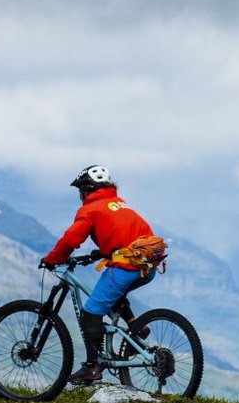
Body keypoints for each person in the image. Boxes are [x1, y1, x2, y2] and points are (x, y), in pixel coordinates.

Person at [39, 165, 168, 385]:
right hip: (148, 268)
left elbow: (71, 240)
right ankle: (137, 328)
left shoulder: (91, 209)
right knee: (111, 294)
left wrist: (52, 259)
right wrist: (100, 253)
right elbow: (124, 235)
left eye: (80, 190)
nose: (80, 195)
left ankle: (92, 366)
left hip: (125, 268)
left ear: (88, 189)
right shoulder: (120, 204)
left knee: (90, 312)